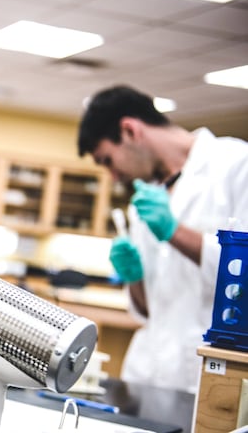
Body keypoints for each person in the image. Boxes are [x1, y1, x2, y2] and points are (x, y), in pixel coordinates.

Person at [76, 85, 248, 393]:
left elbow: (243, 279)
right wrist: (136, 278)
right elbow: (147, 309)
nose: (114, 177)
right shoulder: (145, 198)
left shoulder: (237, 165)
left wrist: (173, 231)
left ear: (129, 130)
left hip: (203, 375)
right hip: (147, 369)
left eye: (108, 160)